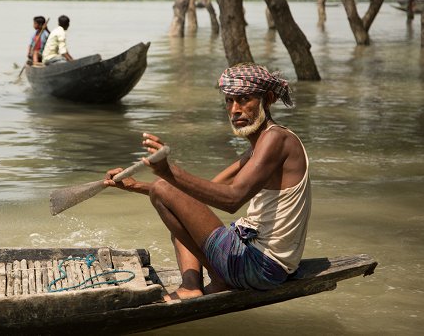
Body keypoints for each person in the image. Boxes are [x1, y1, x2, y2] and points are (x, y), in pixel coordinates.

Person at [104, 63, 311, 301]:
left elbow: (232, 199)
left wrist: (167, 172)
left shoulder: (276, 139)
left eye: (244, 100)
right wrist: (135, 186)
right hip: (263, 264)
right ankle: (193, 285)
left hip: (261, 267)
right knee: (178, 213)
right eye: (229, 101)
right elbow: (199, 195)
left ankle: (209, 282)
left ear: (269, 99)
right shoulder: (261, 144)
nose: (235, 110)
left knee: (165, 191)